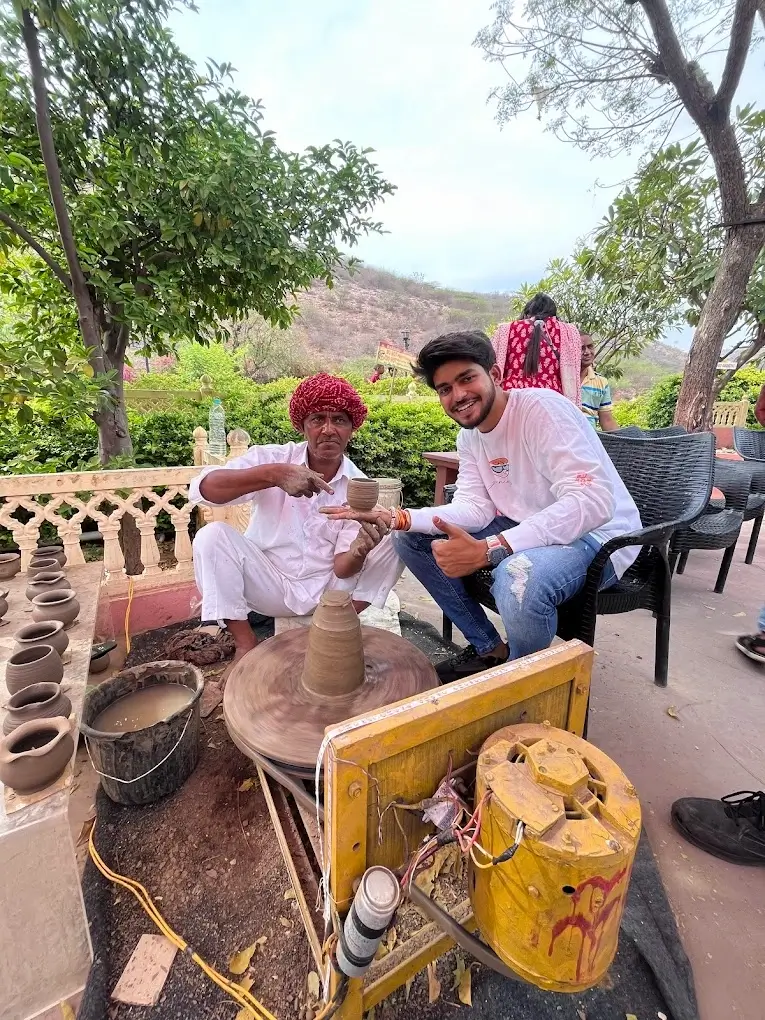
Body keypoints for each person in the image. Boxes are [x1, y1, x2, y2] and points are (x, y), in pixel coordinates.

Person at [322, 331, 641, 682]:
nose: (458, 396)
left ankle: (519, 684)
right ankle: (490, 649)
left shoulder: (542, 410)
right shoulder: (469, 436)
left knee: (517, 577)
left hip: (599, 537)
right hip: (528, 526)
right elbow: (475, 508)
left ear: (495, 375)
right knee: (410, 539)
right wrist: (398, 517)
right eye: (445, 389)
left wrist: (493, 548)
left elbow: (593, 501)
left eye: (466, 379)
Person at [190, 373, 401, 664]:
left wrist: (359, 550)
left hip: (331, 597)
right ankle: (245, 642)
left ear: (352, 428)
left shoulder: (357, 484)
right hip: (268, 585)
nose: (328, 430)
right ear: (302, 426)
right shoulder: (274, 458)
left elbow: (343, 569)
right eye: (317, 419)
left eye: (339, 420)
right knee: (211, 536)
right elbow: (202, 490)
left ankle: (336, 628)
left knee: (400, 536)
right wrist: (273, 475)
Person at [490, 292, 581, 407]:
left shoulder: (507, 329)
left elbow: (492, 363)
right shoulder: (567, 331)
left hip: (512, 397)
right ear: (553, 313)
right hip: (552, 400)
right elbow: (575, 372)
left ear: (528, 312)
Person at [580, 334, 618, 431]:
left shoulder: (601, 381)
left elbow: (606, 420)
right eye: (581, 348)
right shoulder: (557, 378)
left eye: (590, 347)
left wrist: (622, 442)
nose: (587, 352)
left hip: (590, 440)